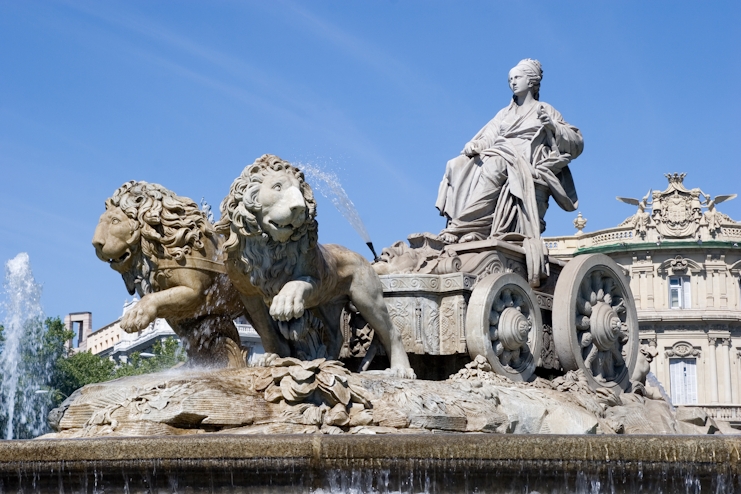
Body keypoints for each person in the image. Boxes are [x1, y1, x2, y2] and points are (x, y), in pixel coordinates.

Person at [435, 59, 583, 286]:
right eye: (510, 79)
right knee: (456, 164)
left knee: (495, 165)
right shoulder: (504, 113)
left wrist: (553, 126)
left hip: (526, 162)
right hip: (501, 153)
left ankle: (461, 227)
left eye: (517, 77)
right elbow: (489, 136)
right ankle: (476, 229)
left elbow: (576, 144)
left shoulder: (546, 110)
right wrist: (475, 146)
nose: (512, 82)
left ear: (531, 81)